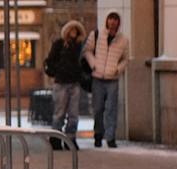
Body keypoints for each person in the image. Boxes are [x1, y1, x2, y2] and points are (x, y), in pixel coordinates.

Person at [84, 12, 129, 149]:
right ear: (107, 21)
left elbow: (125, 59)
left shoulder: (123, 40)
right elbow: (87, 51)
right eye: (110, 19)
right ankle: (98, 134)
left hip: (112, 78)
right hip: (97, 77)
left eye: (115, 20)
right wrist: (94, 64)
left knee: (111, 109)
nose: (112, 22)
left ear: (118, 23)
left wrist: (117, 69)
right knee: (98, 109)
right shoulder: (96, 35)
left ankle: (110, 137)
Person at [44, 21, 90, 146]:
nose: (73, 33)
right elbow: (50, 61)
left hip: (74, 82)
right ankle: (56, 139)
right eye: (71, 30)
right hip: (61, 82)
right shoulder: (59, 44)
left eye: (76, 30)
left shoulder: (80, 47)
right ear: (67, 31)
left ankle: (71, 139)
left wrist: (82, 75)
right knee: (60, 112)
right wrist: (56, 71)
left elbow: (84, 63)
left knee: (73, 113)